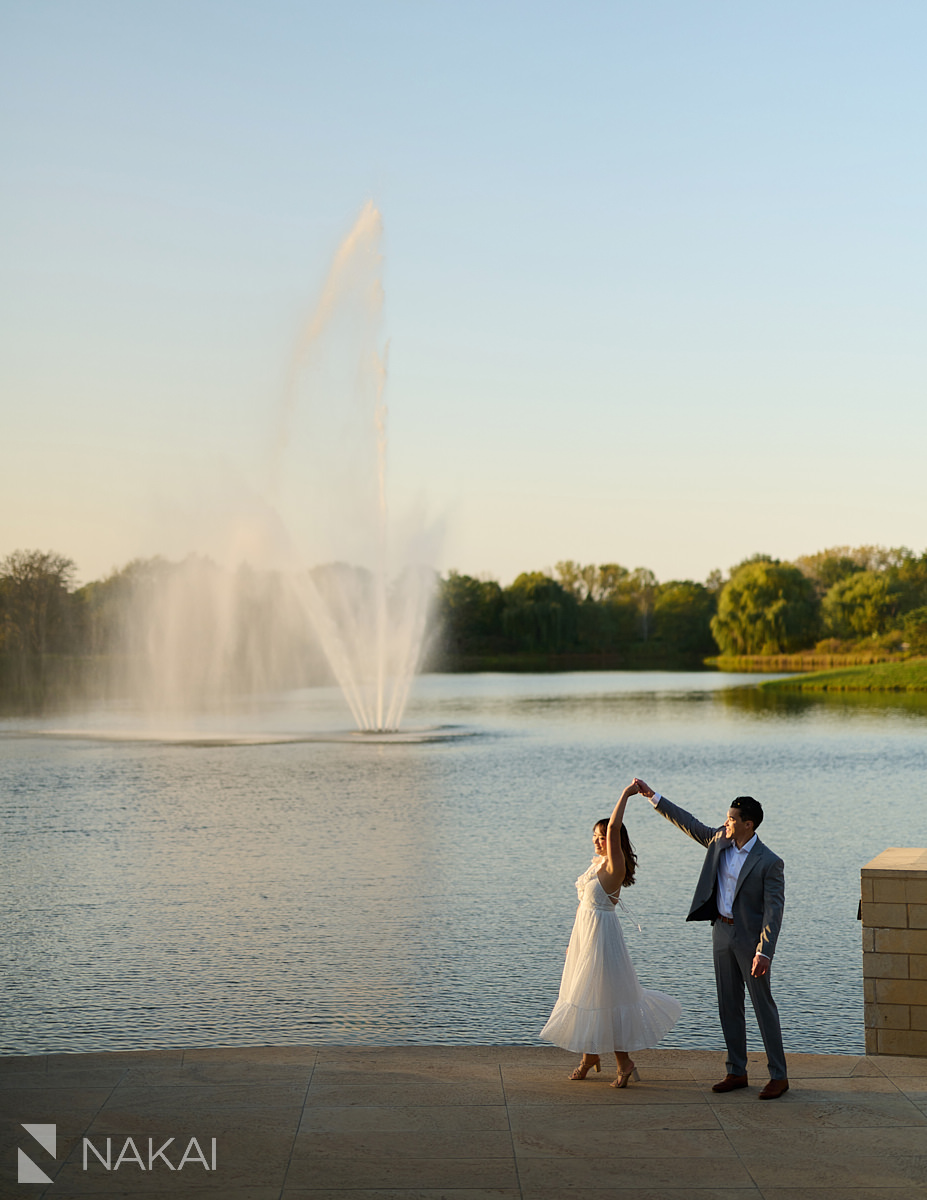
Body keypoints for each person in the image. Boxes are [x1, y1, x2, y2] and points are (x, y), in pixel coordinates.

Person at [634, 778, 788, 1099]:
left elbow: (774, 912)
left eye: (732, 819)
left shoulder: (769, 862)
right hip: (721, 932)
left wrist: (765, 952)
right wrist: (653, 797)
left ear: (748, 824)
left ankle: (779, 1076)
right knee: (728, 1006)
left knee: (763, 1007)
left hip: (751, 942)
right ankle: (736, 1071)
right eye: (727, 817)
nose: (726, 822)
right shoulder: (719, 840)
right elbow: (689, 823)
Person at [540, 780, 681, 1087]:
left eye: (602, 837)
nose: (598, 841)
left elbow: (616, 827)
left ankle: (622, 1062)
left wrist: (626, 795)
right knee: (585, 996)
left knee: (606, 999)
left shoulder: (614, 868)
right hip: (585, 939)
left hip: (603, 941)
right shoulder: (596, 866)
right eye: (595, 836)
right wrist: (571, 944)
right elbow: (582, 907)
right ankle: (590, 1056)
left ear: (614, 841)